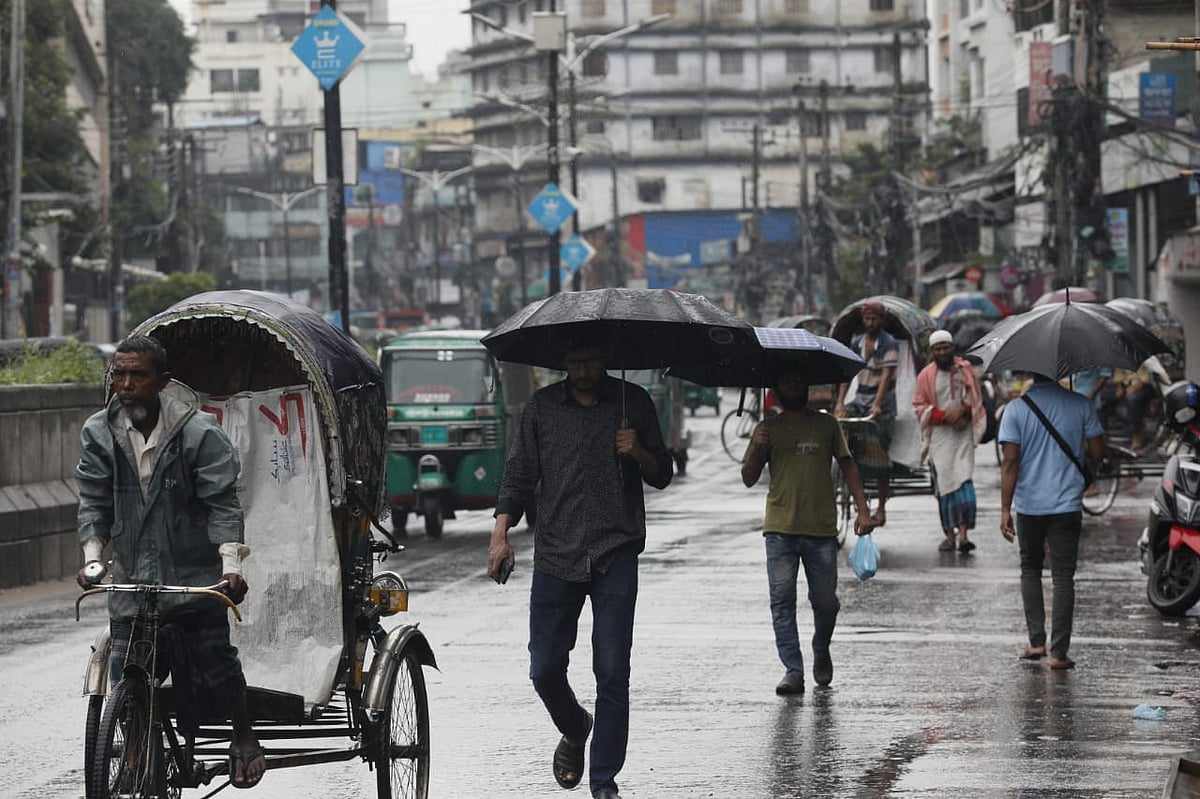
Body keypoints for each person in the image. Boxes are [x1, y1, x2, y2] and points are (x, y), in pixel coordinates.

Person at [486, 335, 673, 799]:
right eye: (574, 361)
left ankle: (604, 781)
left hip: (616, 551)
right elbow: (518, 474)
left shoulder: (634, 403)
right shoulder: (541, 409)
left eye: (590, 360)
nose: (582, 369)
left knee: (612, 671)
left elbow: (663, 472)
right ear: (562, 361)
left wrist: (639, 452)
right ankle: (575, 727)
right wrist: (500, 534)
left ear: (606, 358)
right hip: (556, 553)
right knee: (544, 669)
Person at [75, 335, 266, 789]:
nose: (125, 385)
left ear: (161, 382)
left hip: (192, 577)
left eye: (136, 375)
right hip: (133, 581)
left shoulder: (199, 434)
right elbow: (93, 502)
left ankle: (243, 736)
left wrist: (230, 569)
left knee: (217, 665)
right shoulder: (98, 432)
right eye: (118, 375)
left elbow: (223, 505)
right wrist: (93, 559)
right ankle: (137, 740)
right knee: (122, 665)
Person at [741, 363, 873, 695]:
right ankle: (793, 669)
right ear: (777, 388)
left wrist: (863, 509)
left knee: (826, 602)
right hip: (779, 529)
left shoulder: (827, 425)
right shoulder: (767, 429)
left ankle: (821, 646)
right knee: (781, 601)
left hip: (821, 530)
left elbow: (848, 465)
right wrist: (756, 445)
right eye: (786, 379)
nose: (793, 385)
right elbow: (748, 477)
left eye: (799, 379)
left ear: (807, 386)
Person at [998, 371, 1105, 671]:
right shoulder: (1081, 404)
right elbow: (1098, 451)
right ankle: (1059, 653)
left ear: (1030, 372)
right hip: (1067, 504)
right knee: (1063, 577)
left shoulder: (1016, 409)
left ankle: (1036, 642)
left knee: (1030, 569)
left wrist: (1005, 508)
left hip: (1030, 505)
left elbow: (1010, 461)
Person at [913, 330, 987, 554]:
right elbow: (918, 406)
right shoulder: (925, 376)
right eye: (938, 349)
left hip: (962, 436)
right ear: (932, 352)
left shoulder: (966, 371)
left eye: (946, 347)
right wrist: (944, 416)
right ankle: (949, 535)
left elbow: (976, 400)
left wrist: (963, 412)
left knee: (964, 482)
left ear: (953, 347)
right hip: (939, 438)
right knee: (944, 488)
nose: (943, 352)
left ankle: (964, 535)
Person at [834, 300, 899, 526]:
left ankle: (880, 508)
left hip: (883, 408)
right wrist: (840, 402)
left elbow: (886, 377)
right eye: (867, 319)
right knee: (839, 431)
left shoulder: (889, 344)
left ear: (881, 321)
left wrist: (878, 405)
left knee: (879, 458)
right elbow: (848, 374)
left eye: (874, 319)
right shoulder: (857, 342)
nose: (870, 323)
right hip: (859, 400)